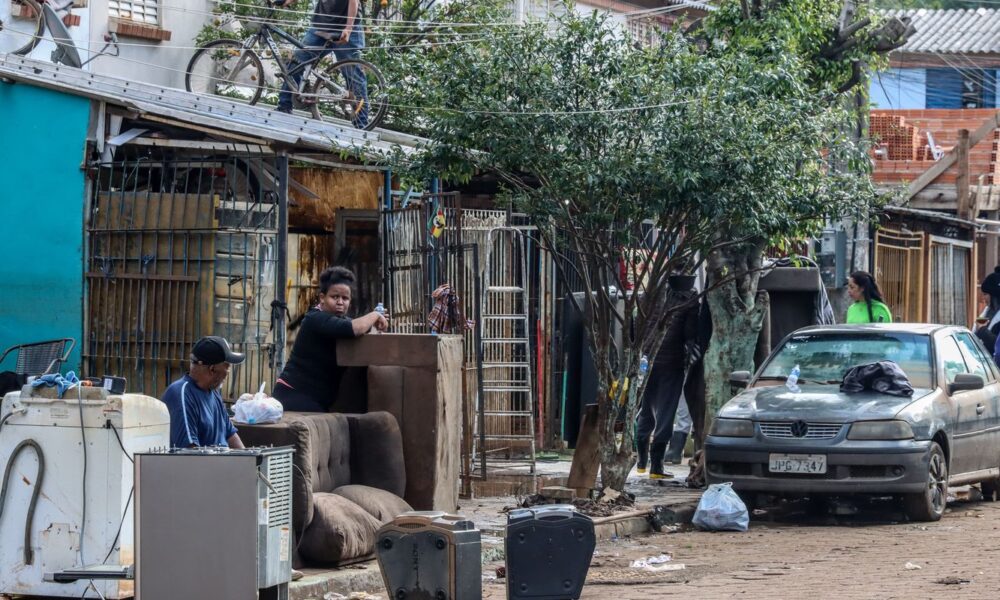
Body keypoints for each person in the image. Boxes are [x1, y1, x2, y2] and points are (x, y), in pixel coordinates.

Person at [273, 266, 387, 412]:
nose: (340, 302)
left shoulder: (341, 321)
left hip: (315, 398)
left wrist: (376, 325)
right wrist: (376, 315)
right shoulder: (315, 318)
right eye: (335, 297)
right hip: (294, 394)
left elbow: (357, 331)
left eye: (345, 298)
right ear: (322, 298)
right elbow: (354, 328)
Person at [636, 275, 698, 480]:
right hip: (671, 363)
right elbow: (690, 333)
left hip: (647, 359)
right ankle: (657, 465)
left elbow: (636, 326)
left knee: (646, 408)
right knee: (666, 412)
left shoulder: (649, 296)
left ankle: (641, 461)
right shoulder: (688, 300)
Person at [276, 0, 369, 127]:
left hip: (347, 30)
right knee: (296, 63)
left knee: (354, 77)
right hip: (320, 27)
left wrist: (348, 28)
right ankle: (284, 107)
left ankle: (361, 125)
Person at [160, 336, 246, 449]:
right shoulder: (181, 394)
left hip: (220, 464)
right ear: (212, 369)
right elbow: (190, 451)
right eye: (227, 366)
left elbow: (230, 435)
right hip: (202, 465)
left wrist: (251, 462)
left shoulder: (213, 392)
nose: (228, 372)